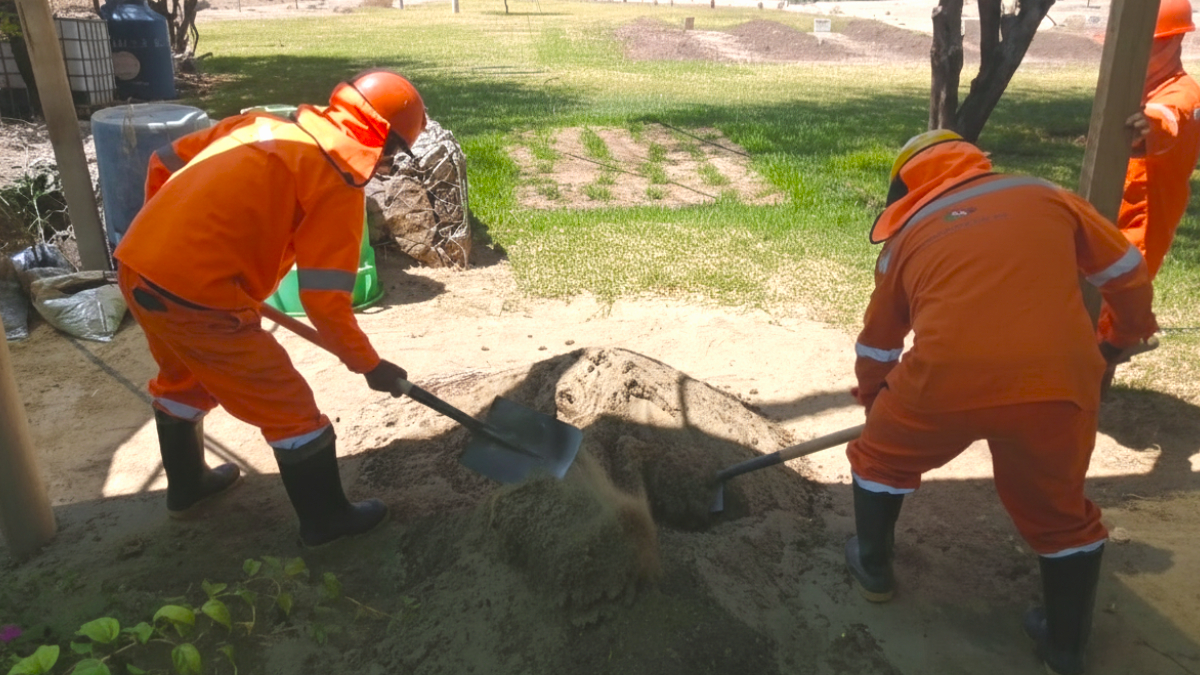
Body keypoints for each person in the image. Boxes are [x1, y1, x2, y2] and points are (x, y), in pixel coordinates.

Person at [845, 130, 1158, 675]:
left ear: (906, 189)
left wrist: (877, 404)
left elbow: (878, 344)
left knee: (878, 460)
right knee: (1060, 515)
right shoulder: (1047, 195)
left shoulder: (904, 240)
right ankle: (1065, 647)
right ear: (974, 164)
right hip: (1057, 382)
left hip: (942, 382)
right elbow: (1126, 271)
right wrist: (1121, 338)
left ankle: (873, 570)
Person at [113, 69, 427, 547]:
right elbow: (323, 301)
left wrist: (163, 242)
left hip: (138, 267)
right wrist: (369, 365)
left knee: (185, 380)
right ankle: (327, 522)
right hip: (197, 299)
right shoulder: (334, 180)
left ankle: (188, 489)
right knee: (291, 410)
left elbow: (162, 161)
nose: (389, 163)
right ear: (383, 141)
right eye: (395, 152)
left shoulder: (260, 125)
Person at [1098, 0, 1200, 339]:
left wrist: (1148, 125)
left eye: (1143, 45)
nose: (1130, 54)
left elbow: (1169, 118)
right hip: (1114, 217)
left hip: (1142, 225)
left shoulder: (1184, 95)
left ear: (1174, 41)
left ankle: (1106, 356)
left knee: (1112, 307)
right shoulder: (1138, 87)